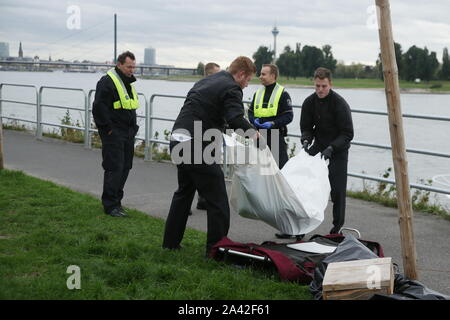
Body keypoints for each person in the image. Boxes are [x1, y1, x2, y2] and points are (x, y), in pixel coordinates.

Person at [162, 56, 260, 256]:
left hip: (178, 138)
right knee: (218, 200)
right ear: (240, 74)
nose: (247, 85)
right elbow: (234, 118)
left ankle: (170, 244)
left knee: (184, 193)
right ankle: (216, 250)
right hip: (196, 146)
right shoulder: (232, 88)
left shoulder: (207, 80)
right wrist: (253, 134)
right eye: (248, 80)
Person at [300, 67, 354, 235]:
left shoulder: (339, 103)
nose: (320, 90)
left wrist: (332, 148)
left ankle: (337, 228)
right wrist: (306, 139)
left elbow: (348, 133)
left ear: (330, 84)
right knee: (307, 186)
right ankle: (301, 226)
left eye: (324, 86)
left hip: (338, 148)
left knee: (337, 190)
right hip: (319, 145)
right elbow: (307, 128)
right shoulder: (309, 102)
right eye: (317, 86)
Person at [92, 51, 140, 217]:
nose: (131, 70)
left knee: (126, 167)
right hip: (114, 133)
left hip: (128, 132)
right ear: (119, 64)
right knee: (114, 168)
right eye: (129, 67)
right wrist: (108, 130)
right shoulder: (107, 82)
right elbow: (99, 108)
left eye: (133, 67)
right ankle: (110, 205)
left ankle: (117, 202)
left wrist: (134, 128)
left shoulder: (128, 82)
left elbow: (129, 106)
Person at [248, 64, 293, 169]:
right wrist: (254, 121)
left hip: (275, 136)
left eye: (263, 74)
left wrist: (273, 123)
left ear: (273, 76)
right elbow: (250, 112)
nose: (260, 76)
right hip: (259, 136)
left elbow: (289, 116)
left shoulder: (283, 94)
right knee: (259, 171)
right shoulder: (258, 93)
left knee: (278, 171)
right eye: (260, 74)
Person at [195, 62, 221, 211]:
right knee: (202, 165)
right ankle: (203, 198)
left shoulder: (200, 87)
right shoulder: (205, 88)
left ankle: (204, 199)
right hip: (203, 130)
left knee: (211, 163)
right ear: (210, 74)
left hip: (211, 131)